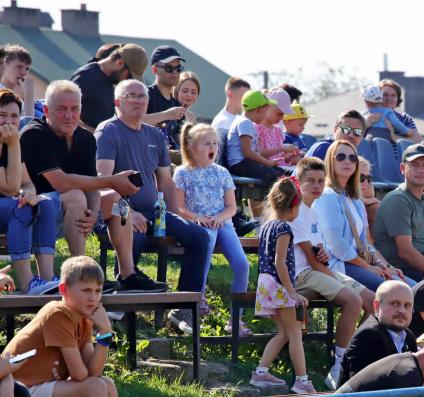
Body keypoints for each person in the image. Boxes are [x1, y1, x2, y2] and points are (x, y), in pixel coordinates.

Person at [20, 80, 159, 293]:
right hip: (34, 213)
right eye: (61, 109)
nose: (69, 115)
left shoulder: (85, 138)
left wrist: (94, 212)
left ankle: (128, 273)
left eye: (74, 109)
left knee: (118, 202)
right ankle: (82, 275)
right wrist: (112, 180)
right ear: (46, 110)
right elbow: (60, 182)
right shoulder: (34, 134)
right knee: (76, 195)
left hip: (73, 212)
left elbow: (92, 183)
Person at [95, 80, 209, 324]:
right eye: (131, 96)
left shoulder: (155, 135)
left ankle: (183, 308)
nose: (138, 100)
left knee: (199, 236)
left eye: (142, 96)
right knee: (135, 234)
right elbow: (103, 181)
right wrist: (130, 211)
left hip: (152, 211)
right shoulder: (108, 131)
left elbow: (166, 182)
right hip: (116, 212)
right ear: (117, 102)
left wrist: (178, 215)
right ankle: (123, 296)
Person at [289, 157, 373, 389]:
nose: (317, 185)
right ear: (298, 182)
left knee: (373, 302)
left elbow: (316, 251)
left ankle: (356, 354)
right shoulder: (295, 212)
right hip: (302, 275)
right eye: (310, 181)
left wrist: (323, 253)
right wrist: (329, 270)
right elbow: (309, 260)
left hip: (318, 270)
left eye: (320, 180)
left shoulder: (313, 211)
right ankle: (340, 365)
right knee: (354, 301)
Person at [3, 256, 118, 397]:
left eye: (98, 291)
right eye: (86, 290)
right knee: (95, 387)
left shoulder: (84, 319)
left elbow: (94, 372)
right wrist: (104, 332)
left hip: (41, 390)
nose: (93, 298)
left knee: (108, 385)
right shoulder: (58, 314)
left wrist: (105, 332)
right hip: (16, 393)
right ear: (63, 289)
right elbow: (79, 374)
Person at [171, 123, 249, 331]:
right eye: (207, 143)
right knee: (207, 243)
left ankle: (236, 319)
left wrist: (219, 217)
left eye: (215, 143)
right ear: (193, 147)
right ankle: (200, 299)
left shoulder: (222, 173)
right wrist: (198, 217)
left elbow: (231, 207)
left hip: (223, 223)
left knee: (243, 264)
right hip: (200, 224)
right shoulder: (182, 173)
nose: (212, 147)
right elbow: (179, 207)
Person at [250, 178, 315, 394]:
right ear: (294, 207)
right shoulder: (284, 228)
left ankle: (260, 373)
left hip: (265, 284)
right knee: (295, 333)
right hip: (279, 284)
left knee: (284, 333)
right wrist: (292, 292)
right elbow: (280, 262)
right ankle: (302, 381)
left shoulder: (266, 226)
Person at [316, 140, 406, 291]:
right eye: (341, 157)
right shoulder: (327, 196)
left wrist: (382, 264)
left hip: (358, 263)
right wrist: (367, 267)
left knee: (410, 285)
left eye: (352, 158)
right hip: (339, 266)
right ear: (330, 161)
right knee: (398, 290)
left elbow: (365, 243)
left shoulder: (355, 200)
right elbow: (336, 244)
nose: (347, 161)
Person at [0, 89, 59, 294]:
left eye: (14, 116)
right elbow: (9, 187)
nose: (9, 121)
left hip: (6, 208)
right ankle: (28, 283)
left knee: (45, 204)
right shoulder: (12, 143)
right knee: (20, 208)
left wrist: (30, 193)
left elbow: (25, 183)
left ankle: (47, 278)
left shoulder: (10, 143)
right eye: (2, 115)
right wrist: (14, 144)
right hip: (8, 209)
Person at [372, 143, 424, 280]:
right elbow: (406, 252)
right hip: (402, 269)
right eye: (414, 165)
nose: (420, 170)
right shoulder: (398, 199)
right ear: (403, 168)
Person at [338, 280, 416, 386]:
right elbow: (363, 388)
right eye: (395, 304)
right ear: (376, 306)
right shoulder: (368, 336)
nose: (402, 310)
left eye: (407, 305)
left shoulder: (408, 337)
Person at [225, 90, 283, 217]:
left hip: (245, 163)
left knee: (279, 173)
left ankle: (265, 213)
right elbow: (247, 152)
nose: (265, 116)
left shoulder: (245, 122)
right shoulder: (245, 123)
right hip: (240, 164)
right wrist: (267, 163)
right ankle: (266, 214)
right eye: (265, 112)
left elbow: (254, 152)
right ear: (258, 110)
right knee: (273, 176)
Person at [71, 44, 147, 131]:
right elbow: (67, 114)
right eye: (129, 76)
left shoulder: (113, 80)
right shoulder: (85, 77)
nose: (129, 81)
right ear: (119, 63)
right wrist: (95, 133)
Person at [144, 46, 191, 149]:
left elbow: (180, 139)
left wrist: (192, 128)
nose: (175, 72)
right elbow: (132, 121)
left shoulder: (177, 104)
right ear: (155, 70)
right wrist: (166, 115)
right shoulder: (144, 95)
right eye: (169, 68)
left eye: (178, 68)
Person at [255, 89, 299, 168]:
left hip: (282, 167)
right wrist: (282, 148)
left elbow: (280, 157)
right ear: (266, 107)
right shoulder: (257, 128)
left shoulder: (277, 130)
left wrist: (290, 157)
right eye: (279, 114)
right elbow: (258, 154)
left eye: (283, 115)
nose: (282, 118)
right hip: (267, 168)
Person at [168, 71, 201, 150]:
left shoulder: (191, 117)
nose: (189, 95)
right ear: (177, 90)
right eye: (185, 91)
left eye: (193, 92)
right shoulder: (168, 110)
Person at [0, 45, 32, 117]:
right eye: (19, 66)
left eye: (27, 69)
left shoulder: (19, 101)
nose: (24, 73)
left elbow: (28, 123)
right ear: (5, 64)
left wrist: (28, 95)